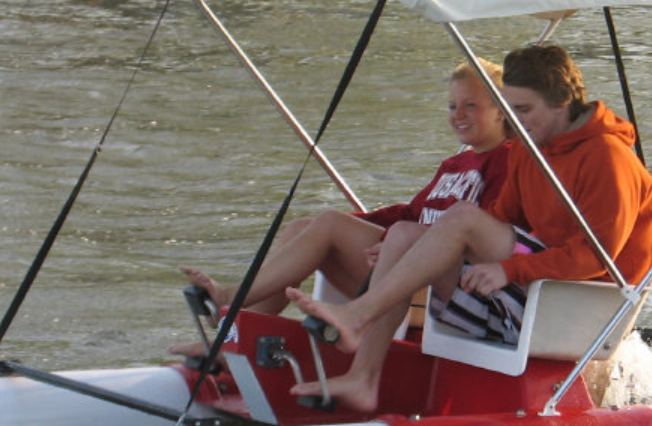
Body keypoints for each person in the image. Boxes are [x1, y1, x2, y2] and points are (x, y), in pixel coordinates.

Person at [288, 43, 652, 412]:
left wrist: (509, 268)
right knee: (402, 234)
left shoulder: (607, 157)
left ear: (561, 103)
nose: (515, 121)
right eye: (509, 109)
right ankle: (363, 378)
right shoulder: (531, 150)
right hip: (530, 290)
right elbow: (500, 217)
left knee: (463, 216)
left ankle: (357, 315)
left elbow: (597, 258)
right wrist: (414, 249)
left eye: (524, 110)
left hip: (574, 304)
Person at [169, 59, 511, 358]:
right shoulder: (455, 164)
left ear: (501, 110)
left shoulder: (508, 161)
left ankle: (233, 297)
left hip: (437, 289)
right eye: (452, 106)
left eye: (470, 106)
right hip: (399, 268)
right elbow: (409, 215)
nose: (458, 115)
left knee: (329, 225)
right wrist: (370, 234)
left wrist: (391, 240)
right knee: (305, 228)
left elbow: (478, 235)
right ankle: (230, 343)